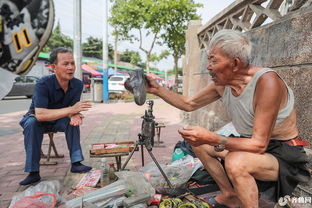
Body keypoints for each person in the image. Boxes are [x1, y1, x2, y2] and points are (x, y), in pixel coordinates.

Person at [145, 29, 310, 208]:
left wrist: (213, 138)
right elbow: (189, 104)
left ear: (235, 63)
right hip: (253, 147)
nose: (208, 66)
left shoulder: (267, 82)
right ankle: (229, 194)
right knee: (197, 143)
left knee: (235, 161)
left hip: (283, 155)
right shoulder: (221, 84)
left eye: (213, 60)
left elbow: (259, 144)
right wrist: (157, 90)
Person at [19, 47, 92, 185]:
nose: (70, 67)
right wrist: (71, 110)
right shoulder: (43, 83)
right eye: (65, 64)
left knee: (73, 122)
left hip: (59, 120)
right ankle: (33, 172)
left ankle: (76, 163)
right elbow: (40, 114)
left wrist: (75, 114)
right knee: (31, 124)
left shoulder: (77, 84)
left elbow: (73, 109)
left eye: (72, 63)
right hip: (37, 119)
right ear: (53, 67)